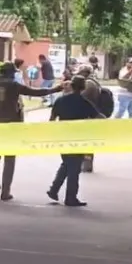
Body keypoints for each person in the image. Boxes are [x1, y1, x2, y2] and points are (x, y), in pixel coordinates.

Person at [0, 62, 58, 201]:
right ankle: (5, 192)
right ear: (11, 73)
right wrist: (56, 89)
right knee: (9, 159)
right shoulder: (12, 85)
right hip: (11, 126)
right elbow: (35, 92)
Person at [47, 75, 104, 207]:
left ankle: (54, 189)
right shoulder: (85, 103)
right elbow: (99, 116)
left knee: (67, 163)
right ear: (83, 88)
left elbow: (51, 119)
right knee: (74, 168)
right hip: (78, 138)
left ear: (71, 86)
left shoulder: (60, 101)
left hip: (63, 137)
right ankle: (70, 197)